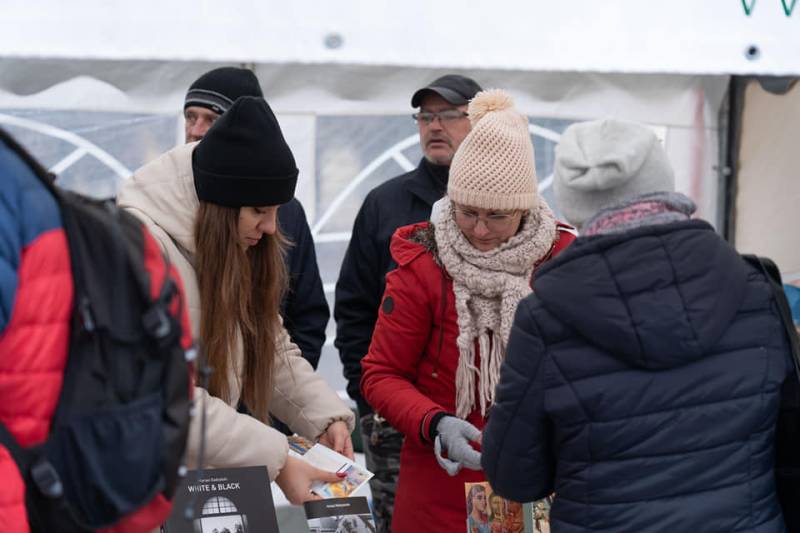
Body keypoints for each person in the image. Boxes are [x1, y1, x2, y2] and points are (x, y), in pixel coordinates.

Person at [481, 119, 793, 532]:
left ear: (572, 201)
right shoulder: (757, 289)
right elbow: (788, 437)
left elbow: (514, 477)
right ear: (662, 181)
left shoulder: (544, 318)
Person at [117, 96, 355, 504]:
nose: (271, 227)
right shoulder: (139, 250)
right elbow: (162, 398)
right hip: (141, 487)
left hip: (206, 483)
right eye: (259, 210)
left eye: (277, 210)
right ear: (220, 207)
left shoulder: (233, 245)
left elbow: (267, 342)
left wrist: (323, 415)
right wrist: (278, 458)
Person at [360, 90, 576, 532]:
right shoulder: (425, 261)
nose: (479, 230)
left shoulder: (562, 262)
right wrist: (435, 423)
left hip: (538, 481)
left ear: (524, 208)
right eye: (467, 211)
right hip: (440, 482)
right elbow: (381, 374)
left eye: (497, 216)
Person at [334, 73, 482, 531]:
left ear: (480, 121)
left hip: (478, 417)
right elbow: (353, 306)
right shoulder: (385, 203)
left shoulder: (510, 206)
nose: (434, 126)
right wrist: (369, 398)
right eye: (425, 116)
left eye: (449, 115)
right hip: (394, 417)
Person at [184, 66, 328, 369]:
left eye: (211, 119)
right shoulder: (170, 203)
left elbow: (307, 317)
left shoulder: (289, 213)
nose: (195, 130)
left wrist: (278, 391)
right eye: (190, 117)